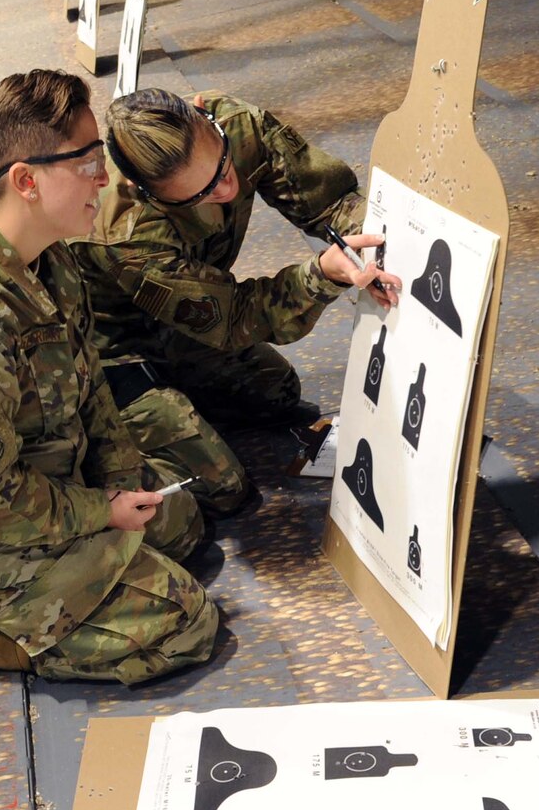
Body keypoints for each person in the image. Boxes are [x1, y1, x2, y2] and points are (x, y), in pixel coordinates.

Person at [0, 70, 220, 686]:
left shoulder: (46, 252)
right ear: (27, 181)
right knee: (187, 622)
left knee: (182, 521)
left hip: (38, 475)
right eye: (88, 163)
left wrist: (119, 484)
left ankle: (86, 562)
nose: (104, 179)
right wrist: (103, 511)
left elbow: (90, 386)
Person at [72, 88, 400, 525]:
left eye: (224, 165)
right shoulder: (126, 235)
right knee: (222, 490)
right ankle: (90, 448)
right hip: (113, 354)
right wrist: (322, 275)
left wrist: (384, 247)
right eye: (202, 194)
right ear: (144, 191)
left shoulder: (235, 123)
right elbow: (234, 319)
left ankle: (176, 402)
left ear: (203, 113)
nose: (227, 189)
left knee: (277, 391)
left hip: (186, 319)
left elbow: (330, 202)